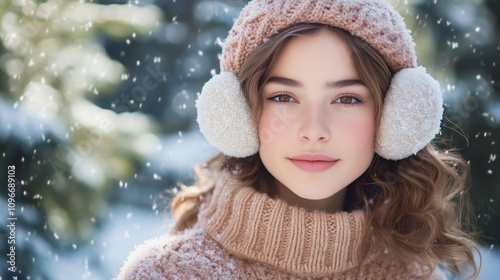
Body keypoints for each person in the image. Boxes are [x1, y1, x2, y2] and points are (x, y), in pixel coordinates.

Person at [115, 0, 480, 279]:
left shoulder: (414, 274)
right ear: (239, 113)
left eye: (347, 99)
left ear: (393, 117)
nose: (314, 129)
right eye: (284, 97)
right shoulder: (167, 273)